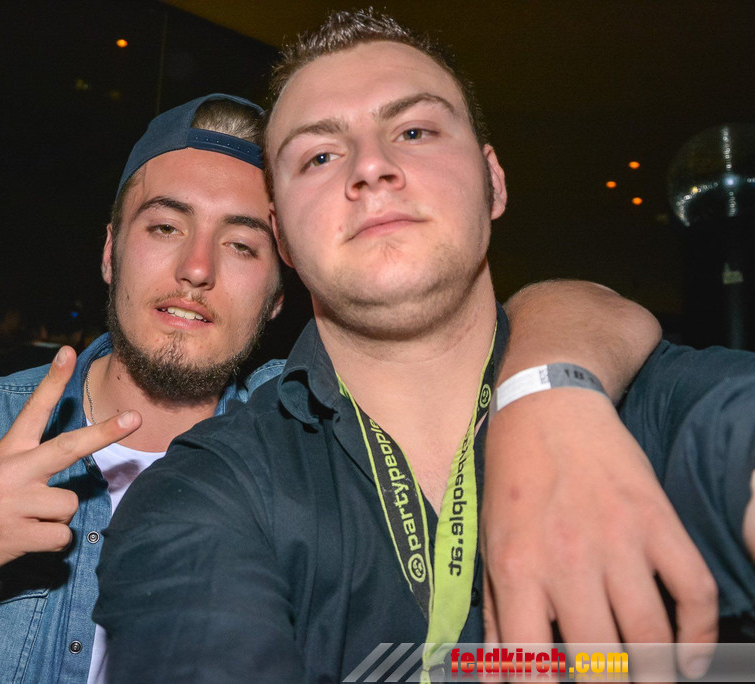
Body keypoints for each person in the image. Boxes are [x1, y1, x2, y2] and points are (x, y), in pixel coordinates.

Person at [0, 92, 664, 683]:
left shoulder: (324, 434)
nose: (196, 269)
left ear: (278, 292)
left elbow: (576, 308)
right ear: (112, 251)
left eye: (241, 244)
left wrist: (552, 393)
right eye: (165, 227)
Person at [93, 10, 755, 682]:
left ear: (494, 181)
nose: (372, 167)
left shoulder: (666, 407)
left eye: (414, 132)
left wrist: (551, 385)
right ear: (283, 237)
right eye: (320, 156)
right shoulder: (205, 492)